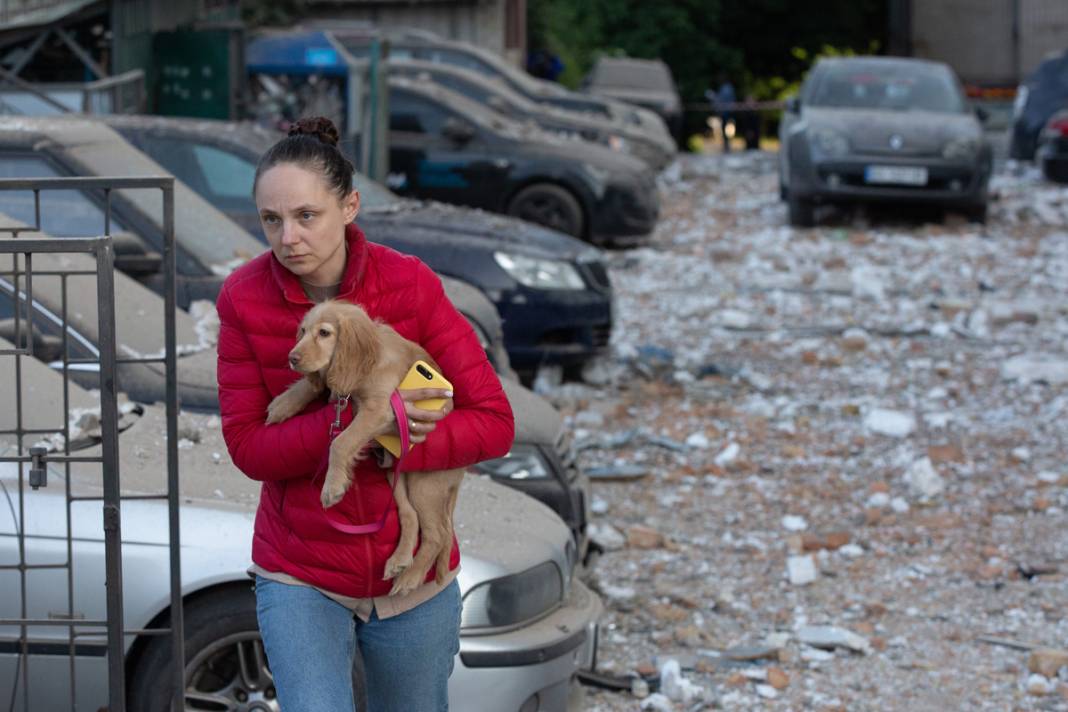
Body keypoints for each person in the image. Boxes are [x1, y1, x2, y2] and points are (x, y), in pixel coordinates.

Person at [216, 116, 515, 711]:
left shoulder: (410, 284)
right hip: (301, 569)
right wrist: (338, 425)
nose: (288, 237)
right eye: (271, 220)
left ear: (350, 206)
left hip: (410, 579)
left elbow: (494, 422)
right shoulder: (244, 298)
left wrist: (390, 438)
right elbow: (249, 448)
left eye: (307, 216)